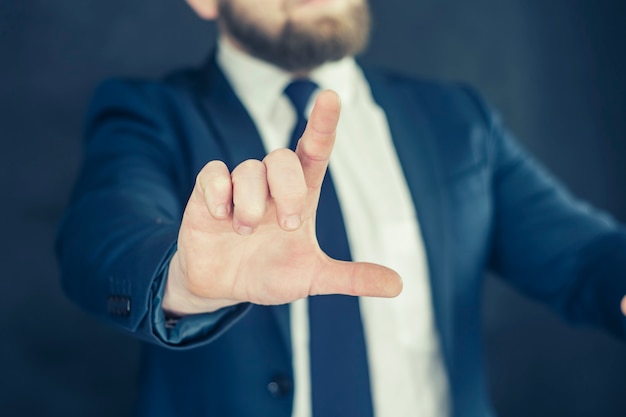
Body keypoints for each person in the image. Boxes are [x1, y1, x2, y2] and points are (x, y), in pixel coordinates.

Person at [56, 0, 626, 416]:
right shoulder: (149, 114)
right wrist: (183, 282)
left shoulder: (455, 119)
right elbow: (101, 237)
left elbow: (582, 258)